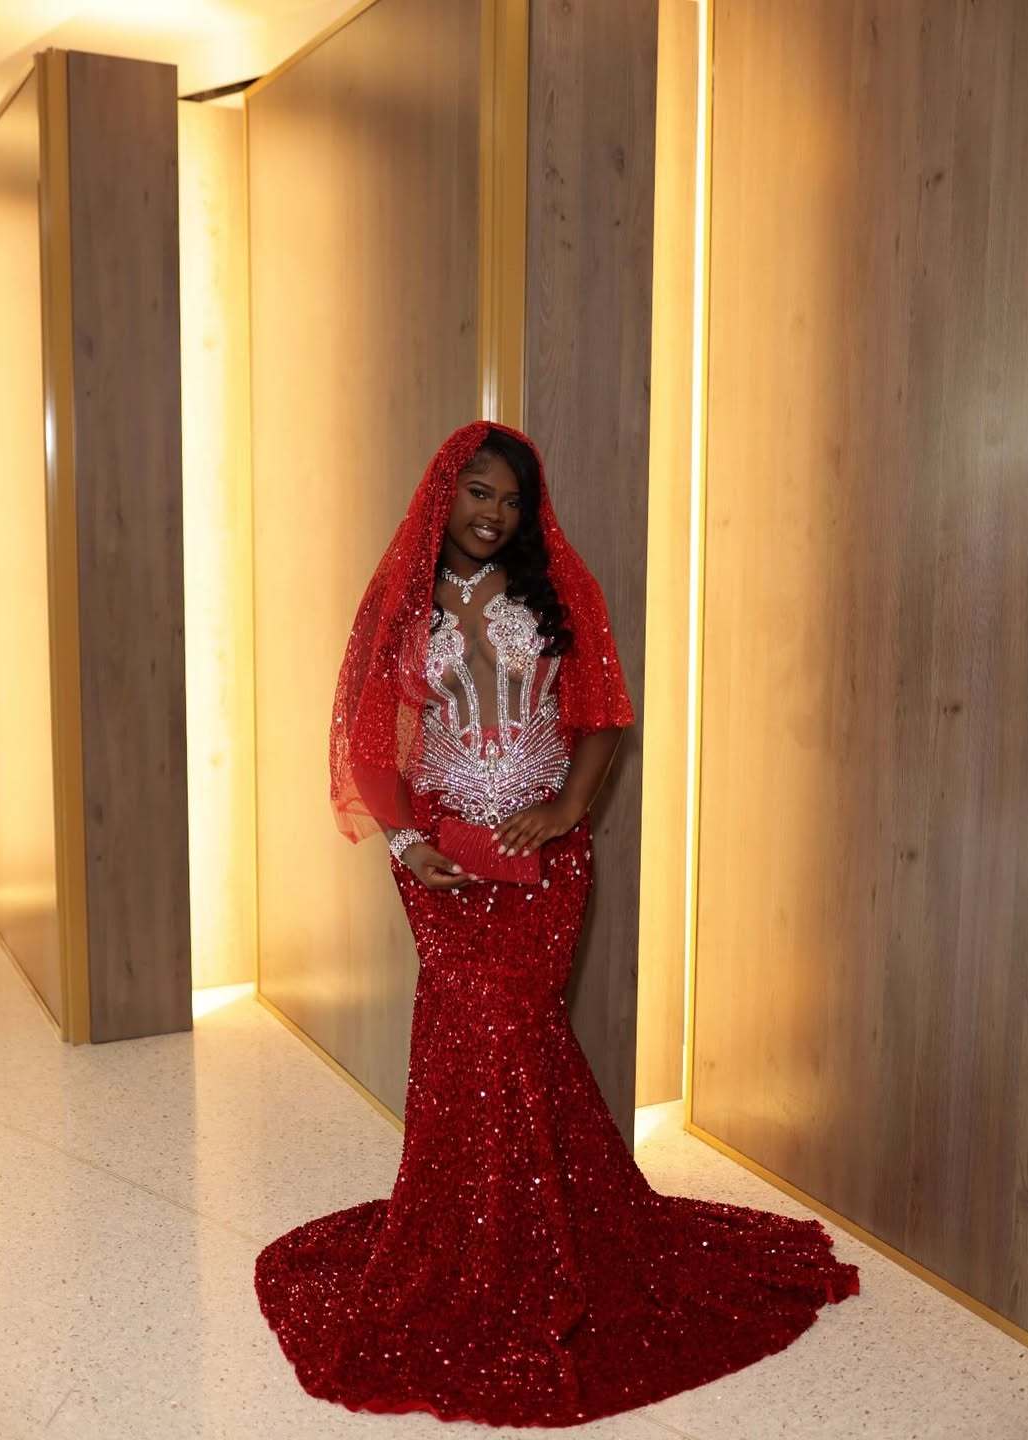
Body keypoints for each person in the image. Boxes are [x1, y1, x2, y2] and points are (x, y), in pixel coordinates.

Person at [254, 420, 860, 1427]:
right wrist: (405, 845)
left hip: (546, 865)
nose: (493, 514)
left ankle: (539, 1241)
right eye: (477, 493)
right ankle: (471, 1239)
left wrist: (570, 808)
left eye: (511, 500)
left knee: (515, 1034)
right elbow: (365, 738)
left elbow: (604, 716)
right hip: (444, 863)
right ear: (443, 492)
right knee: (476, 1038)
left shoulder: (558, 591)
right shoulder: (401, 601)